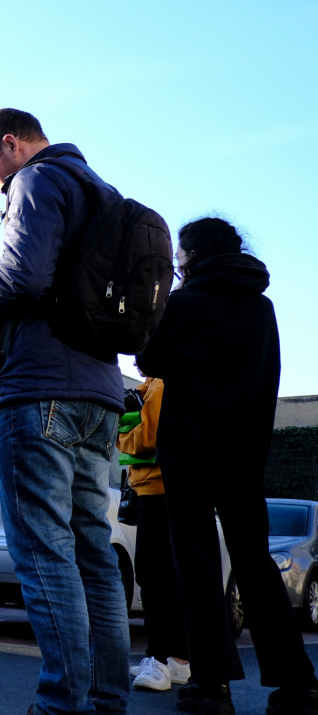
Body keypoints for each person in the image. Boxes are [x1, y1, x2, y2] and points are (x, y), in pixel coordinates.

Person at [0, 109, 131, 713]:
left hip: (44, 391)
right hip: (100, 396)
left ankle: (61, 705)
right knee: (93, 556)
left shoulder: (37, 181)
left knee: (45, 553)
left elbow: (24, 279)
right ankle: (107, 700)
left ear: (11, 144)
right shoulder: (101, 192)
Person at [139, 217, 318, 715]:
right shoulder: (263, 308)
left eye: (179, 258)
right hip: (243, 453)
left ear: (192, 256)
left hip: (189, 451)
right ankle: (298, 682)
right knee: (255, 563)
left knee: (196, 565)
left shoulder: (185, 301)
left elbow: (148, 360)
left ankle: (212, 684)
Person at [117, 366, 191, 693]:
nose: (136, 361)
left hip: (155, 488)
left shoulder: (157, 386)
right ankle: (177, 660)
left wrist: (122, 431)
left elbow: (144, 438)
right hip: (173, 487)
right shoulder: (163, 383)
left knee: (150, 572)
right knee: (171, 575)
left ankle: (157, 659)